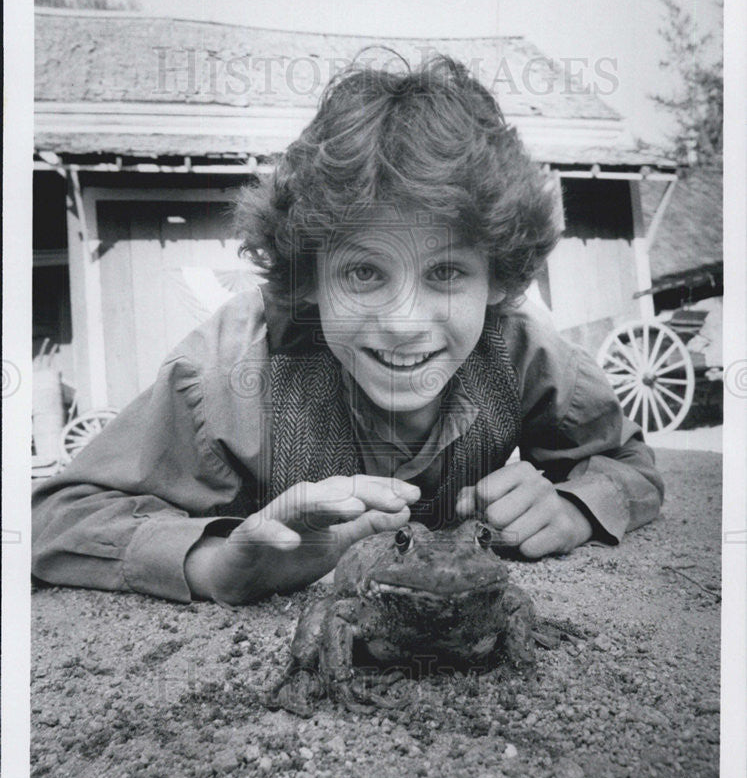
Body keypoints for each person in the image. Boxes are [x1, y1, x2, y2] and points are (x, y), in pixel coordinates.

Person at [32, 55, 664, 606]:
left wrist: (574, 509)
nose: (403, 324)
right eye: (363, 272)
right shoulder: (227, 370)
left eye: (446, 272)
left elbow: (627, 459)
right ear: (307, 277)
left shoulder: (524, 348)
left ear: (498, 280)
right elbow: (59, 514)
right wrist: (215, 564)